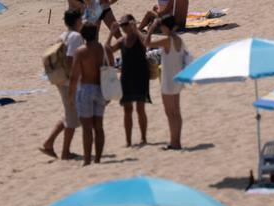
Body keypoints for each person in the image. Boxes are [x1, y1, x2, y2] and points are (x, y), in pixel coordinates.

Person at [41, 9, 84, 159]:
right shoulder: (76, 36)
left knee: (69, 114)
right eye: (81, 19)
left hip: (61, 79)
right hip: (69, 81)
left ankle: (49, 142)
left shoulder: (63, 35)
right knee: (72, 119)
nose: (82, 21)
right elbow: (72, 59)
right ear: (77, 21)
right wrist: (75, 82)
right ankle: (65, 152)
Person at [146, 16, 190, 150]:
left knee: (170, 113)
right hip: (177, 80)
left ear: (165, 27)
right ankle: (176, 141)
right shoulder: (179, 40)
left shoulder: (167, 40)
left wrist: (152, 28)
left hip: (168, 82)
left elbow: (146, 43)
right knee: (176, 112)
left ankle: (174, 142)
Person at [68, 22, 109, 166]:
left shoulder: (80, 51)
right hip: (100, 89)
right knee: (99, 126)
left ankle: (87, 160)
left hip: (86, 89)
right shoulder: (101, 49)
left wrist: (70, 95)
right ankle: (97, 158)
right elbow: (108, 67)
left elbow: (74, 76)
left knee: (87, 128)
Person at [109, 15, 150, 146]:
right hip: (126, 78)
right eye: (122, 25)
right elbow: (107, 50)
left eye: (125, 24)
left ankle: (143, 138)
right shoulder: (122, 40)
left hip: (140, 76)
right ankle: (128, 141)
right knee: (127, 110)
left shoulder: (138, 37)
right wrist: (111, 33)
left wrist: (136, 29)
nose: (124, 27)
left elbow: (147, 43)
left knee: (140, 108)